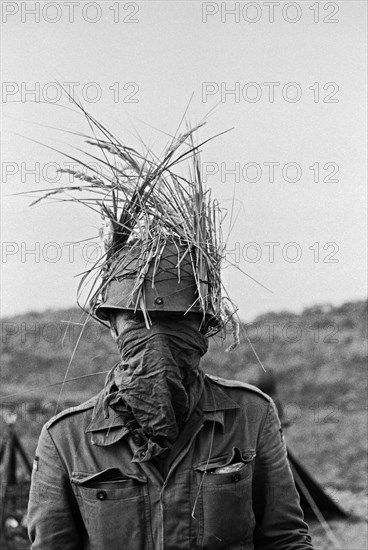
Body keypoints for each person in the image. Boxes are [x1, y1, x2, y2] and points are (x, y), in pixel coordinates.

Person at [27, 120, 314, 549]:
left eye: (177, 321)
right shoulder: (66, 438)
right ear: (112, 327)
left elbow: (286, 539)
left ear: (203, 328)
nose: (157, 339)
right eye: (139, 322)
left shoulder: (250, 416)